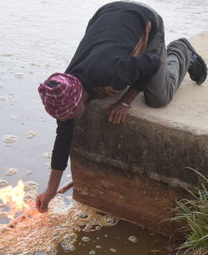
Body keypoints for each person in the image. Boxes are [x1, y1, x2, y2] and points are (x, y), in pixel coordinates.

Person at [35, 1, 207, 213]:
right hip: (105, 16)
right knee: (128, 74)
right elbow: (63, 137)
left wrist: (125, 101)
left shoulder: (112, 72)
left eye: (70, 113)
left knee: (158, 97)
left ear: (80, 97)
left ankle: (181, 51)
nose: (68, 118)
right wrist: (50, 190)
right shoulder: (64, 86)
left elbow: (151, 63)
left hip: (144, 19)